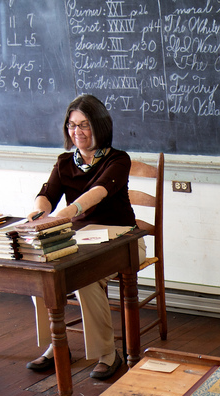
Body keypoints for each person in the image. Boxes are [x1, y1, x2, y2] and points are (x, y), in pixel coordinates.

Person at [26, 94, 137, 380]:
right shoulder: (65, 162)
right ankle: (56, 344)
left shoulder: (118, 160)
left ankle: (108, 355)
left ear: (99, 126)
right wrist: (40, 213)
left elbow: (96, 194)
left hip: (123, 239)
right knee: (41, 269)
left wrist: (67, 213)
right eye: (72, 125)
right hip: (83, 240)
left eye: (84, 125)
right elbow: (46, 195)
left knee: (85, 277)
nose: (77, 132)